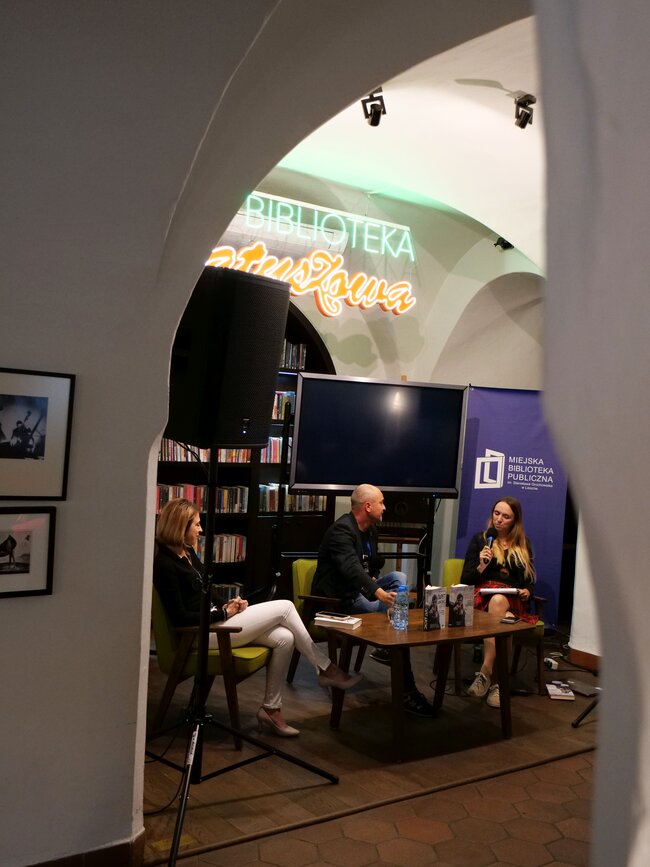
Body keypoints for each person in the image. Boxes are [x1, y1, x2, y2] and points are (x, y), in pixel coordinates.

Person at [153, 498, 361, 738]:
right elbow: (180, 617)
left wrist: (228, 603)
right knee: (285, 607)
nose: (201, 530)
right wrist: (224, 613)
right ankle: (325, 667)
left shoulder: (187, 553)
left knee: (284, 638)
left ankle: (271, 709)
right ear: (180, 526)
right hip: (198, 635)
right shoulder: (164, 564)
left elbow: (205, 590)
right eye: (196, 525)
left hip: (213, 623)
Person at [312, 483, 434, 717]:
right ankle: (406, 689)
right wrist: (378, 592)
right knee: (388, 618)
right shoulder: (341, 531)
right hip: (339, 599)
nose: (385, 507)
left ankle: (393, 634)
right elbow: (351, 569)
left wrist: (374, 577)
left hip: (360, 590)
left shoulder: (370, 530)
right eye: (381, 503)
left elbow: (371, 563)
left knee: (398, 578)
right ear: (368, 506)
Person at [461, 496, 536, 709]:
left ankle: (485, 672)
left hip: (512, 599)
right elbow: (465, 579)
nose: (499, 519)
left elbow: (529, 581)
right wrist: (481, 566)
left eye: (506, 516)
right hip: (483, 598)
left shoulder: (524, 544)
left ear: (515, 521)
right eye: (496, 513)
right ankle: (498, 684)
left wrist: (527, 591)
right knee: (505, 619)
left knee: (500, 600)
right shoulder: (481, 540)